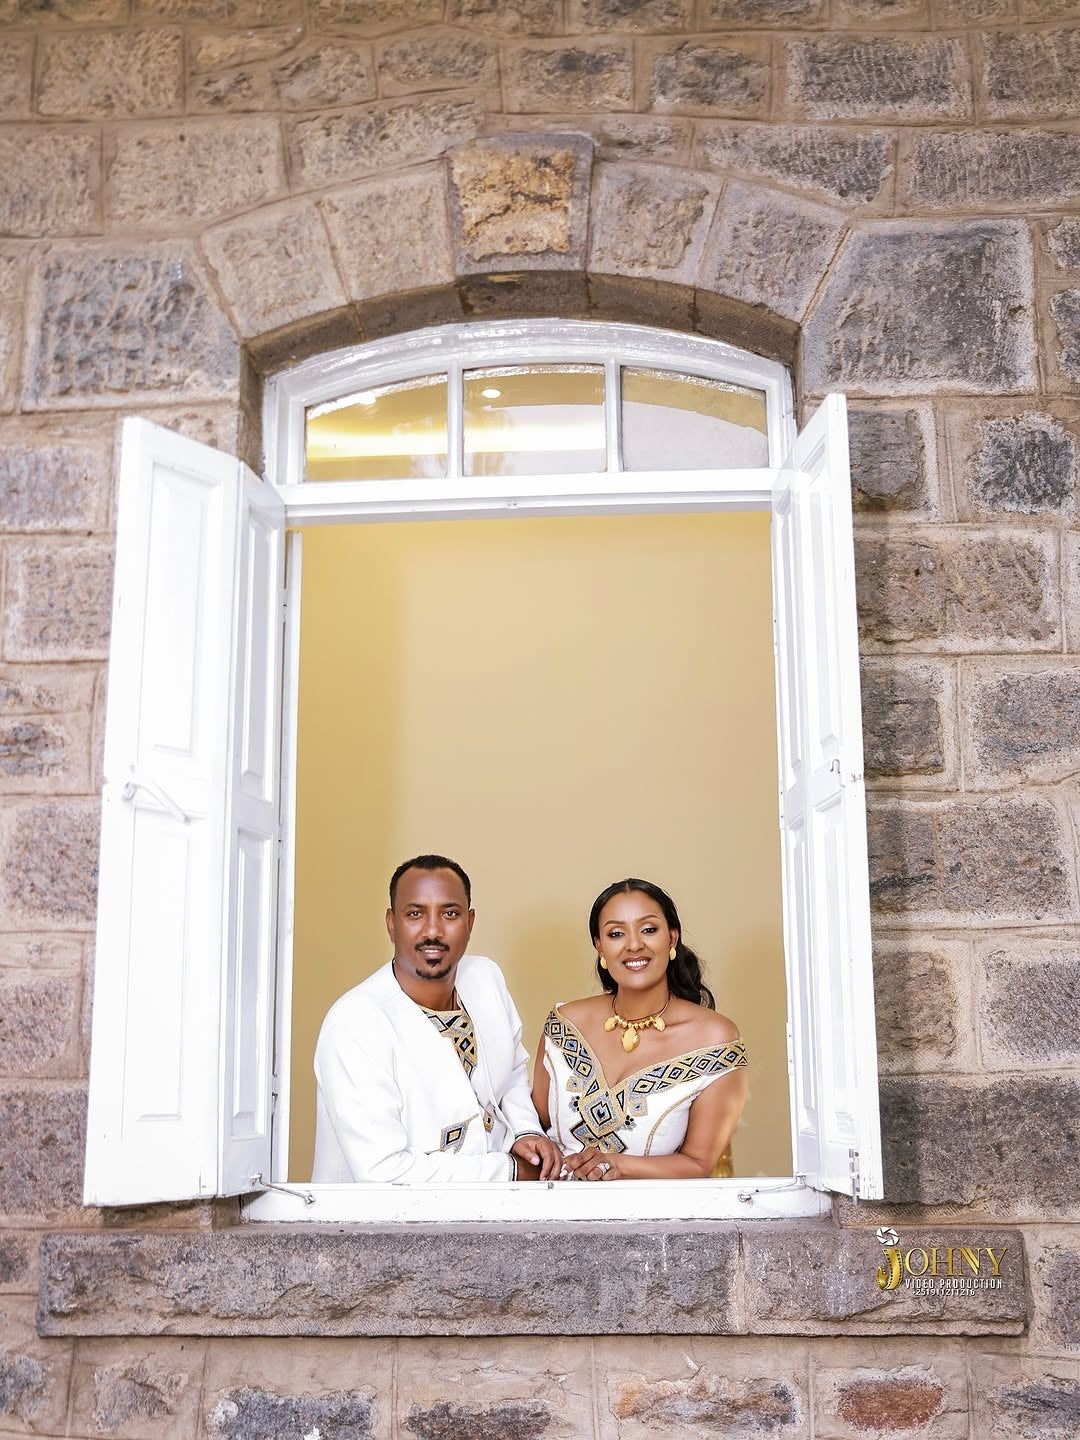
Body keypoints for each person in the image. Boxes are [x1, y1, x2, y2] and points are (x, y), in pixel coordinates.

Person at [312, 854, 562, 1183]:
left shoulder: (485, 978)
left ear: (470, 922)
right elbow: (383, 1174)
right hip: (382, 1228)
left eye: (450, 914)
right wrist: (512, 1171)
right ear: (391, 923)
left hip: (496, 1215)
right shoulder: (354, 1024)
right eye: (415, 914)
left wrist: (526, 1133)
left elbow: (511, 1076)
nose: (433, 930)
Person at [532, 878, 748, 1181]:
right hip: (548, 1213)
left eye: (649, 929)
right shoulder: (563, 1025)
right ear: (600, 946)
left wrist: (618, 1164)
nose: (634, 945)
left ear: (672, 938)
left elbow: (698, 1163)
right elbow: (531, 1129)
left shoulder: (715, 1039)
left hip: (652, 1220)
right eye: (616, 933)